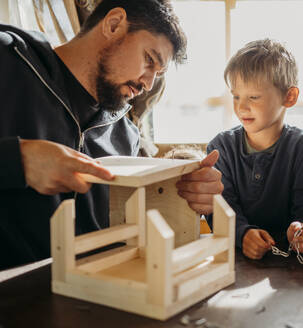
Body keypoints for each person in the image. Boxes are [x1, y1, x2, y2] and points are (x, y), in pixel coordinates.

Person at [0, 0, 223, 269]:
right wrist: (18, 160)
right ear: (114, 23)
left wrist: (192, 197)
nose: (148, 84)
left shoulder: (125, 136)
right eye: (149, 60)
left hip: (98, 299)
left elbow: (132, 230)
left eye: (158, 74)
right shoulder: (9, 60)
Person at [207, 39, 303, 261]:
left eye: (253, 97)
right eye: (236, 96)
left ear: (289, 97)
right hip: (237, 261)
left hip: (291, 265)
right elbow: (220, 209)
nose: (241, 107)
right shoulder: (220, 147)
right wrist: (242, 234)